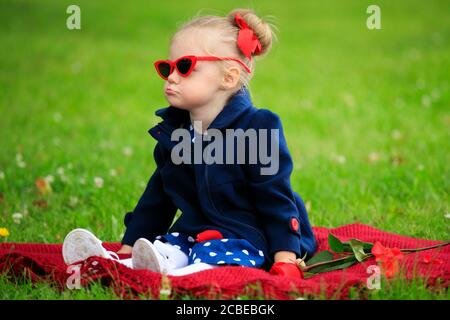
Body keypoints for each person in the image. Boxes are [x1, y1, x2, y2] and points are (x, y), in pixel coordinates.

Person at [62, 8, 317, 277]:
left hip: (249, 236)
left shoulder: (257, 128)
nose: (172, 76)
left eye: (185, 66)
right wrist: (129, 244)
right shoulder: (177, 133)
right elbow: (158, 198)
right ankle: (120, 264)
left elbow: (275, 196)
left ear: (228, 77)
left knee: (216, 252)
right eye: (167, 67)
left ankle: (192, 274)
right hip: (195, 231)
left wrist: (286, 257)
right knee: (171, 245)